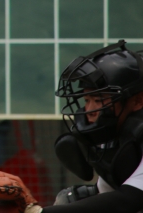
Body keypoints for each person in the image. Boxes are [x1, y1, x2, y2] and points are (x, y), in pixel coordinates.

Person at [36, 40, 143, 212]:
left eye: (99, 100)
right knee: (71, 198)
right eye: (87, 100)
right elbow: (106, 194)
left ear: (137, 101)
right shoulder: (116, 135)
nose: (89, 110)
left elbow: (129, 200)